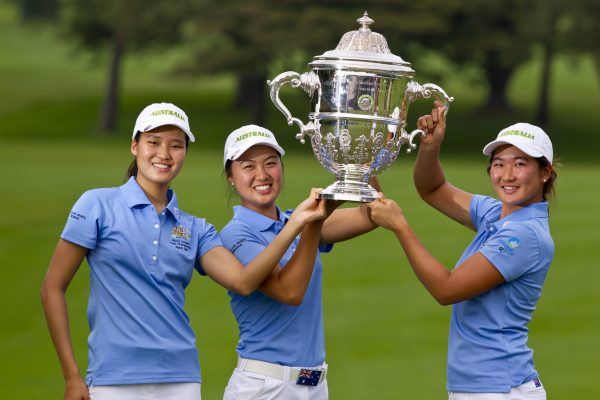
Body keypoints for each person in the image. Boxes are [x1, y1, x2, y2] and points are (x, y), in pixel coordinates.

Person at [40, 103, 329, 400]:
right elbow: (52, 287)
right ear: (134, 146)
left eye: (176, 146)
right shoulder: (96, 205)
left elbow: (244, 282)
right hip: (113, 380)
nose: (164, 154)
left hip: (181, 381)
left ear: (184, 154)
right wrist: (71, 375)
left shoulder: (195, 229)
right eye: (154, 142)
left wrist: (294, 225)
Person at [367, 102, 555, 399]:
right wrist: (430, 147)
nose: (506, 175)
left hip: (501, 388)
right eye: (499, 163)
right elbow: (433, 188)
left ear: (544, 172)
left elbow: (447, 289)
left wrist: (400, 227)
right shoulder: (496, 214)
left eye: (520, 164)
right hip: (482, 387)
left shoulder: (525, 235)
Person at [220, 125, 381, 400]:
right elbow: (289, 292)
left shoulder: (296, 220)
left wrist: (361, 159)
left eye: (271, 163)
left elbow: (372, 214)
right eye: (248, 166)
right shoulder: (235, 233)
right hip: (264, 386)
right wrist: (312, 225)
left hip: (315, 385)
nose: (262, 174)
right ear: (231, 177)